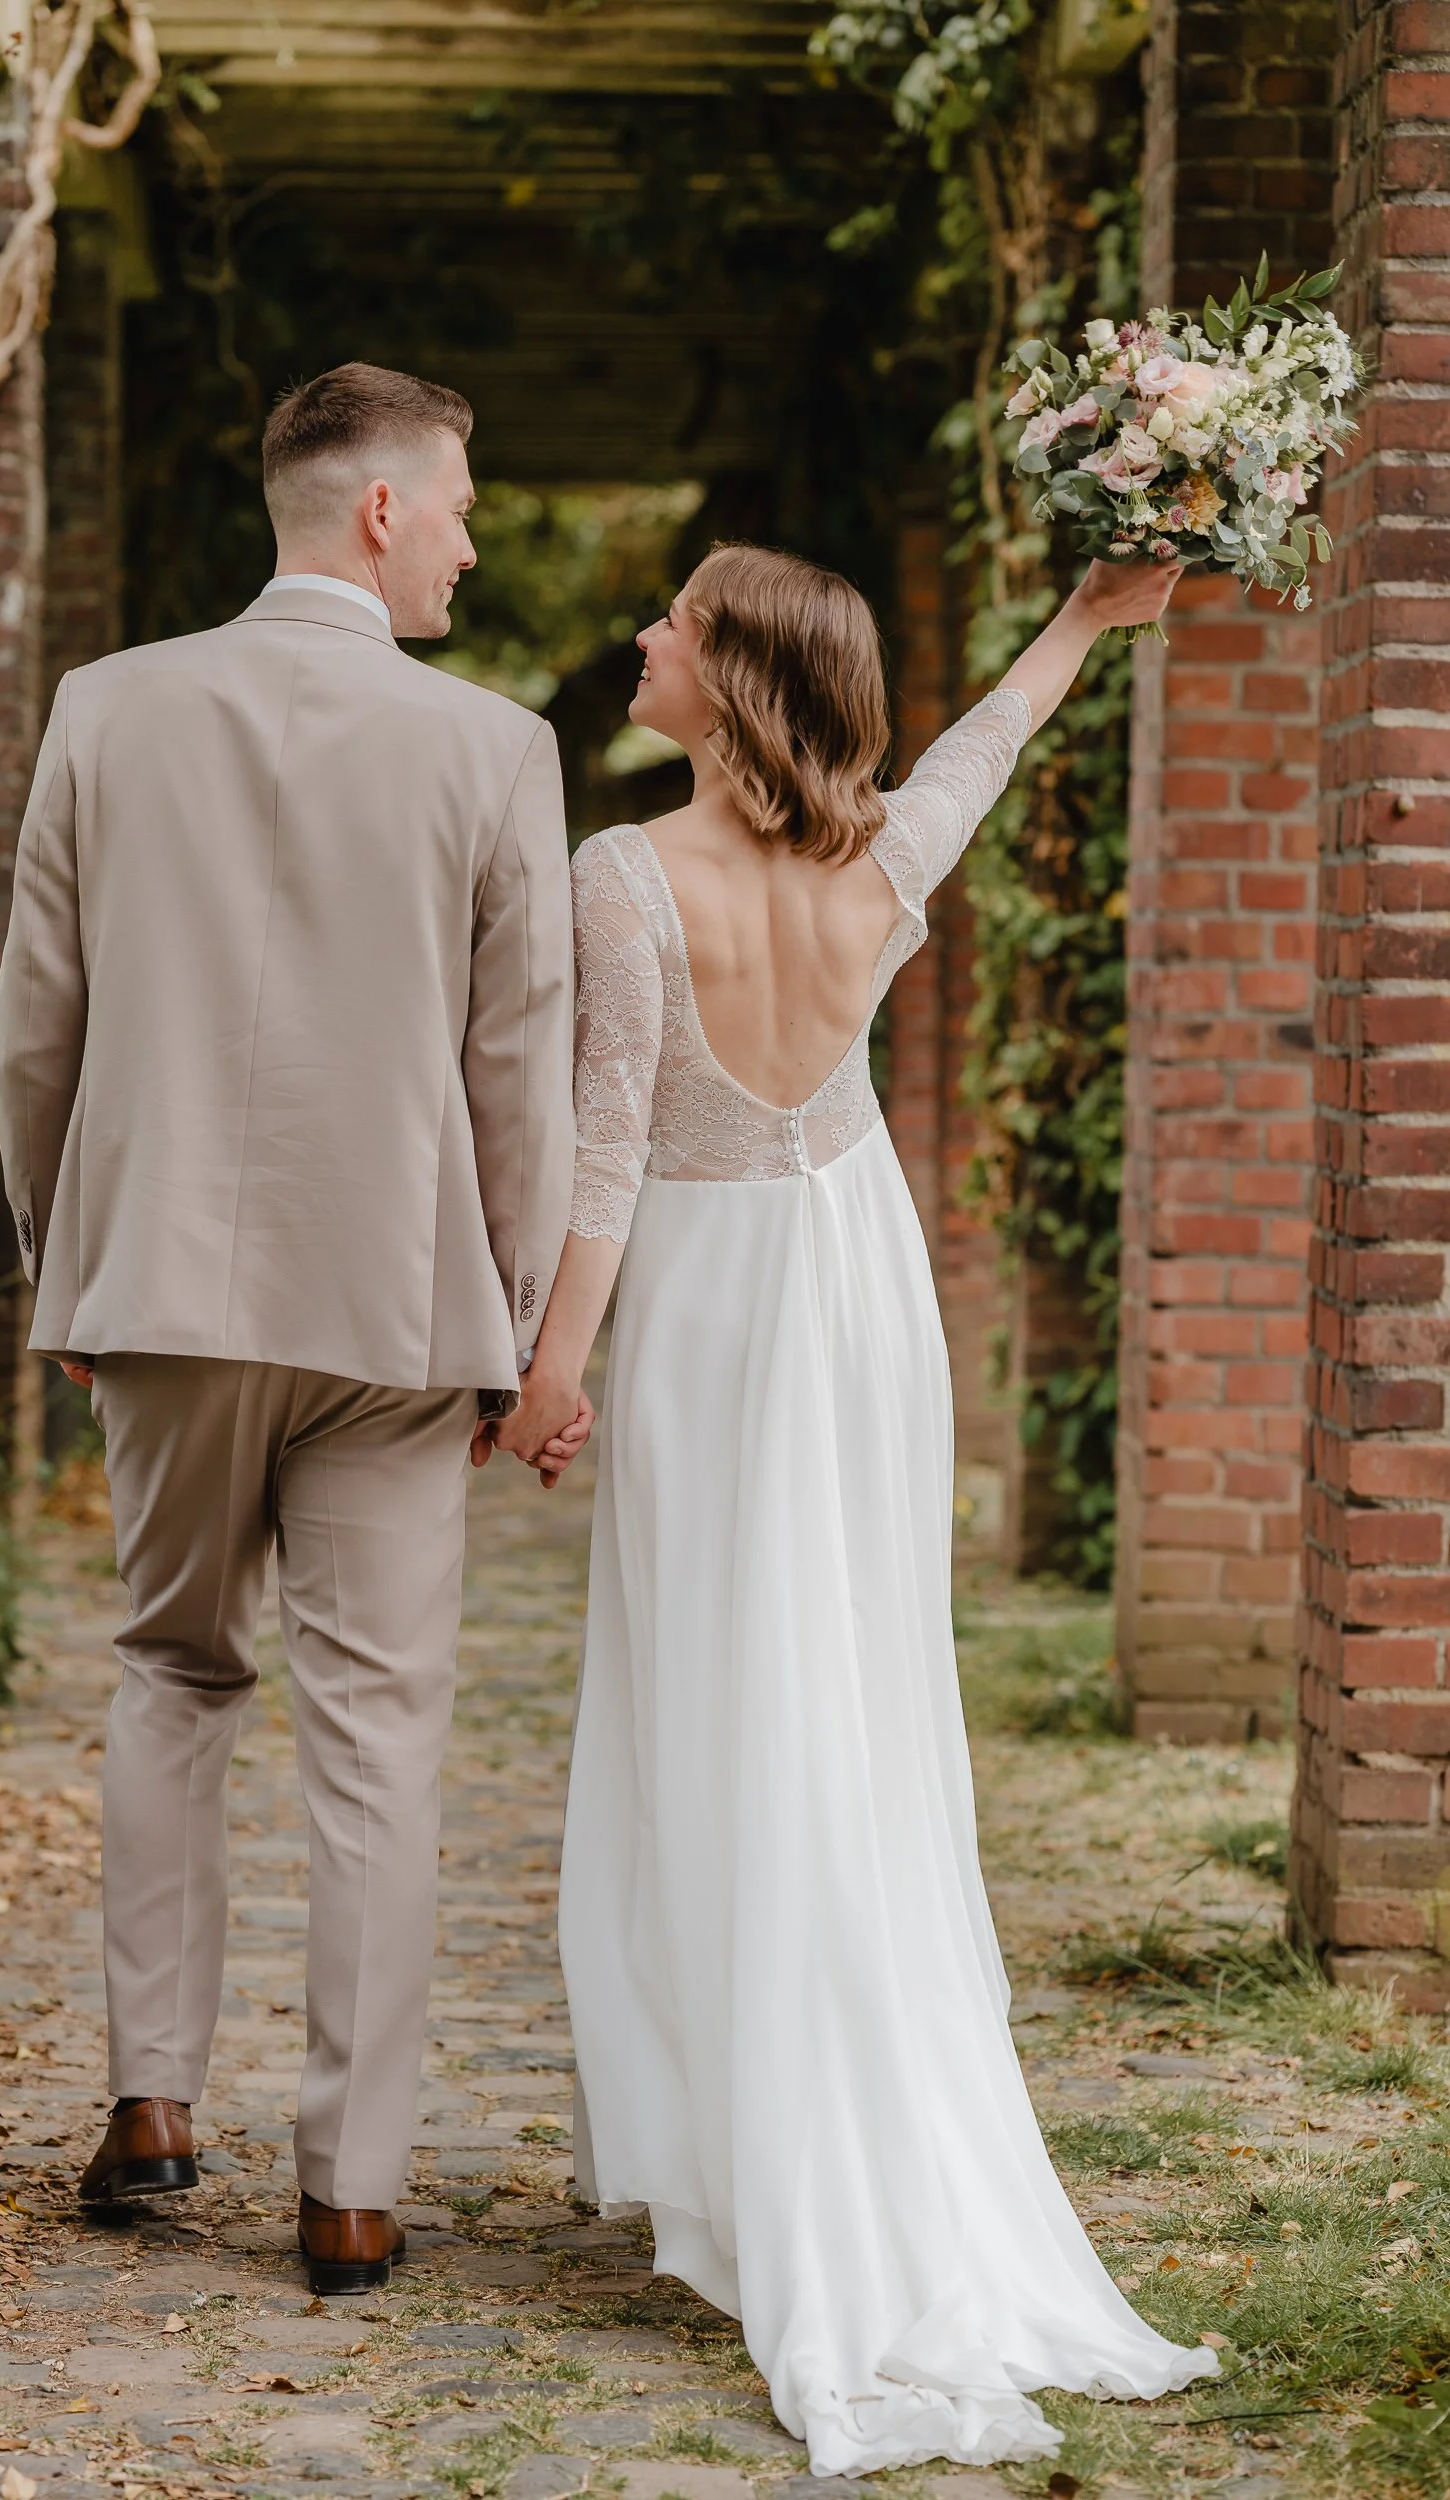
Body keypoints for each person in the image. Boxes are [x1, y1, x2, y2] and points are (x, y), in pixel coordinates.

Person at [499, 544, 1221, 2471]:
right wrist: (1084, 619)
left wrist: (551, 1366)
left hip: (719, 1307)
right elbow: (988, 745)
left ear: (729, 683)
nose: (639, 637)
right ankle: (838, 2099)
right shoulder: (878, 863)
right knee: (852, 1697)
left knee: (726, 1701)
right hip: (855, 1285)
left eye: (671, 623)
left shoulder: (624, 874)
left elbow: (604, 1147)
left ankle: (768, 2144)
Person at [0, 361, 589, 2296]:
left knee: (172, 1670)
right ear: (383, 513)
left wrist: (60, 1261)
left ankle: (154, 2096)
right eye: (468, 506)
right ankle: (352, 2189)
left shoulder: (106, 708)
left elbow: (36, 1034)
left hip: (156, 1280)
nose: (478, 545)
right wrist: (511, 1317)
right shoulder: (494, 747)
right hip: (396, 1311)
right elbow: (523, 1069)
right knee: (380, 1741)